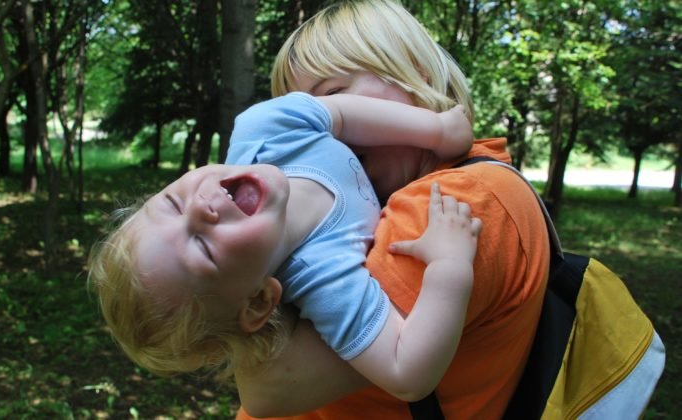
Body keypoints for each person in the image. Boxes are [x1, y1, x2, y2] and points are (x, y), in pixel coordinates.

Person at [233, 1, 551, 418]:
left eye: (333, 95)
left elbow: (268, 386)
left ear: (414, 74)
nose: (325, 134)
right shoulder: (397, 199)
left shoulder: (454, 204)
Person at [87, 88, 482, 402]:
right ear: (259, 301)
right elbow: (406, 373)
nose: (198, 209)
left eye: (171, 203)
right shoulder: (323, 277)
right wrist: (450, 267)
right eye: (203, 249)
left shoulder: (263, 130)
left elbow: (340, 113)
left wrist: (437, 130)